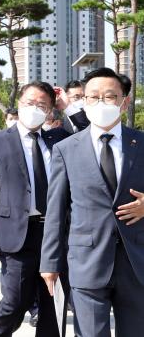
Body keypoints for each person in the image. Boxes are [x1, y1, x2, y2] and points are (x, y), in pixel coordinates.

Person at [41, 67, 144, 337]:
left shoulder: (142, 144)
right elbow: (56, 211)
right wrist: (49, 263)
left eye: (109, 96)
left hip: (136, 262)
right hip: (86, 262)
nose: (101, 103)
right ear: (84, 102)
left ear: (124, 102)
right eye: (94, 97)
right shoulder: (66, 149)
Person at [0, 81, 70, 336]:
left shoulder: (60, 139)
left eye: (42, 105)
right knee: (15, 300)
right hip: (16, 233)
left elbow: (87, 134)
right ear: (19, 103)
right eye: (30, 102)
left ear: (50, 110)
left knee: (54, 303)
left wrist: (68, 106)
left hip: (55, 233)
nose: (34, 108)